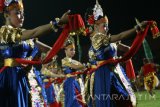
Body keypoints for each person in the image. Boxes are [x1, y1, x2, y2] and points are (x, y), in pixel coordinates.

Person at [0, 0, 70, 107]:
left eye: (23, 13)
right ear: (6, 15)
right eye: (18, 13)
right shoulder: (5, 32)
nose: (22, 16)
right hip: (11, 77)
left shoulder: (24, 35)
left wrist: (65, 35)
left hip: (25, 76)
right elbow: (34, 32)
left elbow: (48, 50)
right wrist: (58, 22)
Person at [85, 0, 148, 107]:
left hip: (114, 72)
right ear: (95, 26)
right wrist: (136, 29)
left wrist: (136, 42)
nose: (106, 28)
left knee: (123, 98)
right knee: (108, 100)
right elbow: (120, 36)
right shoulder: (98, 38)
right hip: (103, 74)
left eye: (106, 25)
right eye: (103, 25)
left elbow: (127, 48)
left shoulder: (107, 39)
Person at [62, 36, 87, 107]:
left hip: (75, 83)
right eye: (71, 50)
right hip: (69, 84)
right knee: (72, 102)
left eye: (74, 50)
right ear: (65, 50)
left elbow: (82, 68)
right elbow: (76, 67)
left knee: (79, 101)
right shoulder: (64, 60)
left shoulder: (74, 61)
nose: (73, 52)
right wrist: (85, 66)